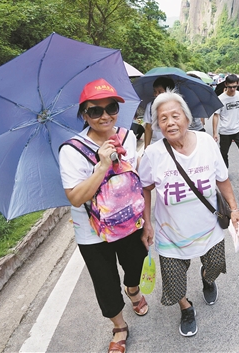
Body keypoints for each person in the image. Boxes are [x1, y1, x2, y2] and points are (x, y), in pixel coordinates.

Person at [138, 90, 239, 337]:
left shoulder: (206, 142)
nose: (170, 122)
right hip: (171, 234)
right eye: (163, 119)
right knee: (174, 282)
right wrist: (147, 223)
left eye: (175, 116)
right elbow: (144, 187)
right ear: (157, 125)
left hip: (209, 227)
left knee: (216, 264)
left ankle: (208, 279)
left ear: (187, 118)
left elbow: (223, 180)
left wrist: (235, 209)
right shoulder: (153, 154)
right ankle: (186, 308)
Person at [59, 78, 152, 353]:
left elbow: (136, 182)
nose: (104, 116)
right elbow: (75, 197)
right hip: (92, 231)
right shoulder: (71, 150)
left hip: (130, 222)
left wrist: (148, 222)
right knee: (105, 280)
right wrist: (101, 166)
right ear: (84, 115)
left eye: (111, 107)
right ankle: (119, 326)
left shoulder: (127, 136)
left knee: (135, 263)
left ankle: (133, 289)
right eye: (94, 111)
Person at [212, 74, 239, 181]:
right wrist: (214, 133)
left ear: (238, 84)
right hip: (225, 130)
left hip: (238, 129)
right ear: (226, 84)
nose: (232, 89)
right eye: (230, 87)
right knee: (223, 153)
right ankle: (224, 172)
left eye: (234, 87)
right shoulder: (220, 98)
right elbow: (216, 115)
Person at [144, 77, 175, 148]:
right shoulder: (151, 106)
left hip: (172, 145)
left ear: (169, 91)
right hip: (155, 145)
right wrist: (146, 149)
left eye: (160, 92)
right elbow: (148, 128)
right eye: (155, 91)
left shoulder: (176, 107)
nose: (156, 95)